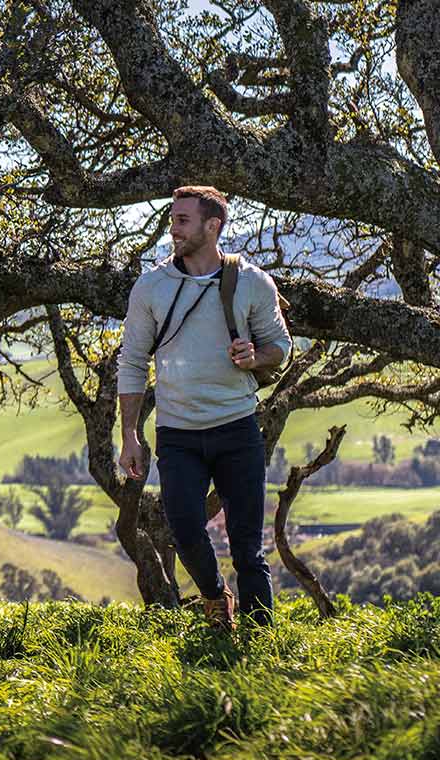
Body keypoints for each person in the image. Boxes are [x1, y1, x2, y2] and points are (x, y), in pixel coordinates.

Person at [117, 185, 292, 631]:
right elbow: (133, 362)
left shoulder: (251, 281)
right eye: (172, 219)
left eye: (182, 220)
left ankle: (261, 636)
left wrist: (256, 356)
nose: (172, 229)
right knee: (185, 527)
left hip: (237, 427)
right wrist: (130, 435)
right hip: (177, 434)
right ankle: (216, 597)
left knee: (247, 544)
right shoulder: (151, 286)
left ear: (212, 226)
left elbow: (281, 348)